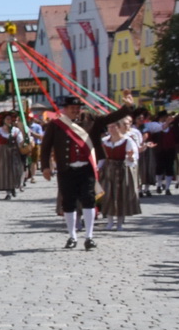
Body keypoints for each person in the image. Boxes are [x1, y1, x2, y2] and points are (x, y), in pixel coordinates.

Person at [41, 95, 99, 250]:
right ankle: (72, 236)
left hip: (86, 169)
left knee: (89, 200)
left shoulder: (89, 122)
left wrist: (128, 108)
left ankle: (89, 237)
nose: (76, 111)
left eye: (78, 108)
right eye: (72, 108)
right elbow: (45, 147)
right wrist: (45, 166)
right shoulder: (56, 125)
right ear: (65, 109)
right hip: (66, 170)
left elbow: (111, 118)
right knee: (69, 203)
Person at [99, 117, 140, 230]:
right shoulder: (105, 141)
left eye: (113, 127)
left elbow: (133, 157)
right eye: (109, 127)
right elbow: (101, 158)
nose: (110, 129)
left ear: (119, 127)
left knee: (120, 196)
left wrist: (130, 157)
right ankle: (110, 221)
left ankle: (119, 223)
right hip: (107, 170)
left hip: (122, 170)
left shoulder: (127, 140)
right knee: (108, 196)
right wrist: (98, 169)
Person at [0, 113, 25, 200]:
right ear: (3, 121)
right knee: (5, 172)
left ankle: (13, 187)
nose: (9, 121)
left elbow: (20, 142)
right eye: (7, 119)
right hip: (3, 153)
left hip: (14, 152)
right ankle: (8, 192)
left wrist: (24, 134)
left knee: (16, 170)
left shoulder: (16, 130)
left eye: (10, 119)